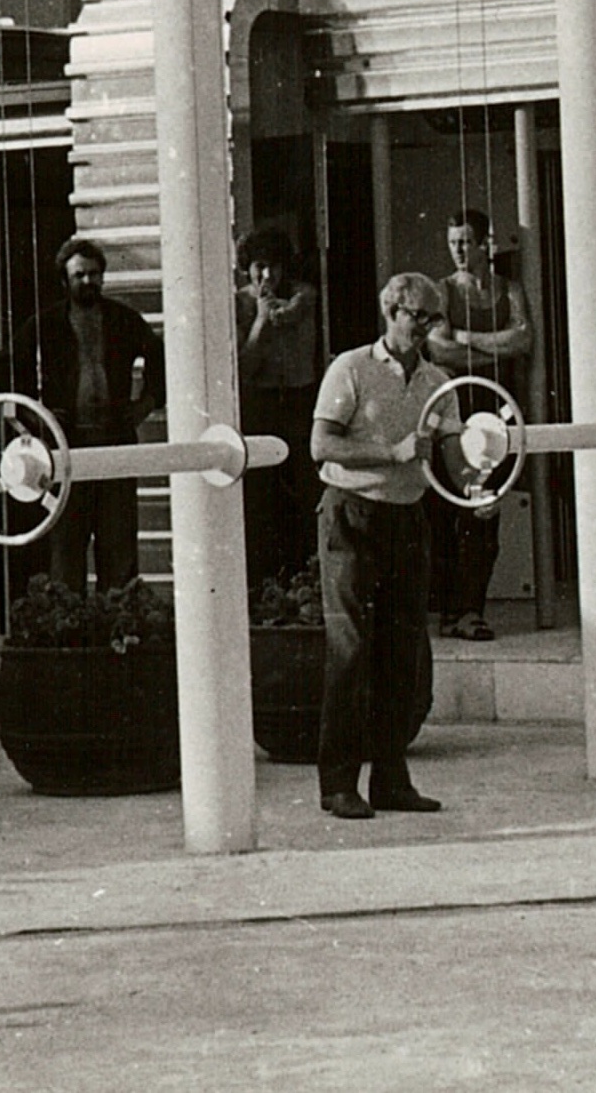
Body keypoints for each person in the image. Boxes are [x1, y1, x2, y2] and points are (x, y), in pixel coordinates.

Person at [306, 268, 449, 821]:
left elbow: (454, 452)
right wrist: (390, 452)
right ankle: (338, 785)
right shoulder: (352, 368)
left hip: (408, 519)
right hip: (351, 517)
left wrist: (483, 483)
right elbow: (321, 444)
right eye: (417, 316)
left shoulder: (438, 381)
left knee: (401, 652)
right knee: (350, 651)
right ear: (391, 312)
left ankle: (392, 780)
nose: (425, 327)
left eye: (433, 318)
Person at [20, 234, 162, 593]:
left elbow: (163, 359)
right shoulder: (47, 324)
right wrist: (38, 417)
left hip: (115, 444)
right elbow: (7, 367)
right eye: (80, 275)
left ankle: (121, 633)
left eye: (95, 274)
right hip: (68, 447)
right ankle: (69, 633)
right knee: (67, 548)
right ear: (65, 280)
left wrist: (145, 404)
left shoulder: (123, 320)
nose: (88, 282)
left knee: (118, 547)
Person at [423, 207, 531, 640]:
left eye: (467, 242)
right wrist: (494, 349)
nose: (460, 252)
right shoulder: (443, 291)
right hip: (456, 407)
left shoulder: (510, 289)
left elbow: (524, 338)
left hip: (499, 408)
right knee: (454, 505)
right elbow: (439, 349)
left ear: (486, 243)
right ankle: (453, 611)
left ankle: (471, 609)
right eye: (453, 244)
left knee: (487, 507)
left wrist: (467, 339)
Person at [237, 224, 322, 583]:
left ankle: (306, 579)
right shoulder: (240, 302)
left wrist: (281, 311)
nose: (267, 275)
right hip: (262, 403)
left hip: (300, 401)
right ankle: (264, 584)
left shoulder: (304, 296)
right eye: (259, 266)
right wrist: (259, 319)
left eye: (274, 266)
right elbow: (243, 368)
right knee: (261, 497)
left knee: (304, 492)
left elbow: (299, 309)